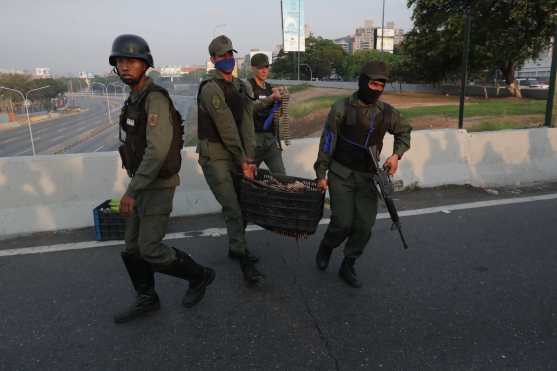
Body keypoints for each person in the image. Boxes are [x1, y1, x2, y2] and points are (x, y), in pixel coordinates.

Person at [110, 34, 215, 323]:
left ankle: (200, 275)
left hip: (156, 185)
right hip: (141, 183)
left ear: (145, 64)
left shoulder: (154, 99)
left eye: (131, 61)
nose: (125, 66)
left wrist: (131, 192)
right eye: (120, 61)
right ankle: (147, 299)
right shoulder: (134, 99)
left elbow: (156, 152)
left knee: (150, 249)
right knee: (131, 249)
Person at [313, 61, 412, 288]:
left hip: (368, 176)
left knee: (364, 226)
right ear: (362, 82)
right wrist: (321, 173)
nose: (376, 89)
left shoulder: (386, 113)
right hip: (341, 173)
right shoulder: (341, 108)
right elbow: (327, 143)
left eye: (380, 85)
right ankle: (327, 245)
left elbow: (404, 131)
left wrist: (396, 155)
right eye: (373, 83)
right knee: (343, 222)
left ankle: (348, 263)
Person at [197, 35, 264, 285]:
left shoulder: (242, 86)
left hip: (236, 154)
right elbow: (226, 128)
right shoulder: (210, 89)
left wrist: (250, 157)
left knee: (244, 205)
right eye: (222, 56)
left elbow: (247, 124)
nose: (227, 60)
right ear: (213, 59)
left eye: (230, 55)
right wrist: (242, 159)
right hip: (215, 155)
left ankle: (236, 246)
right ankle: (243, 257)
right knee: (233, 208)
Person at [247, 53, 286, 174]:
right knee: (249, 178)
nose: (264, 71)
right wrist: (271, 98)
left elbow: (278, 115)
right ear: (253, 68)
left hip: (270, 140)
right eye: (260, 68)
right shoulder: (247, 86)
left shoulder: (270, 87)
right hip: (253, 141)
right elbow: (249, 108)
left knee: (281, 176)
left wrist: (281, 101)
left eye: (266, 67)